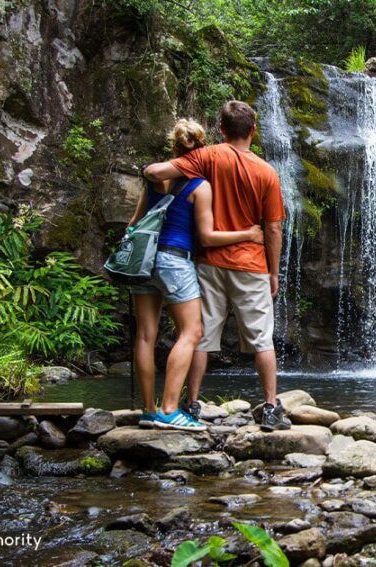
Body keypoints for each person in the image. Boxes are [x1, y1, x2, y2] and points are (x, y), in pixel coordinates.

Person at [143, 101, 290, 431]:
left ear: (221, 130)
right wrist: (273, 271)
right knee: (262, 340)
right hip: (252, 265)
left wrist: (149, 175)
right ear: (253, 130)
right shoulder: (267, 172)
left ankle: (192, 403)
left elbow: (159, 172)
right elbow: (273, 227)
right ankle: (270, 406)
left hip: (208, 263)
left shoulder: (207, 156)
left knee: (202, 337)